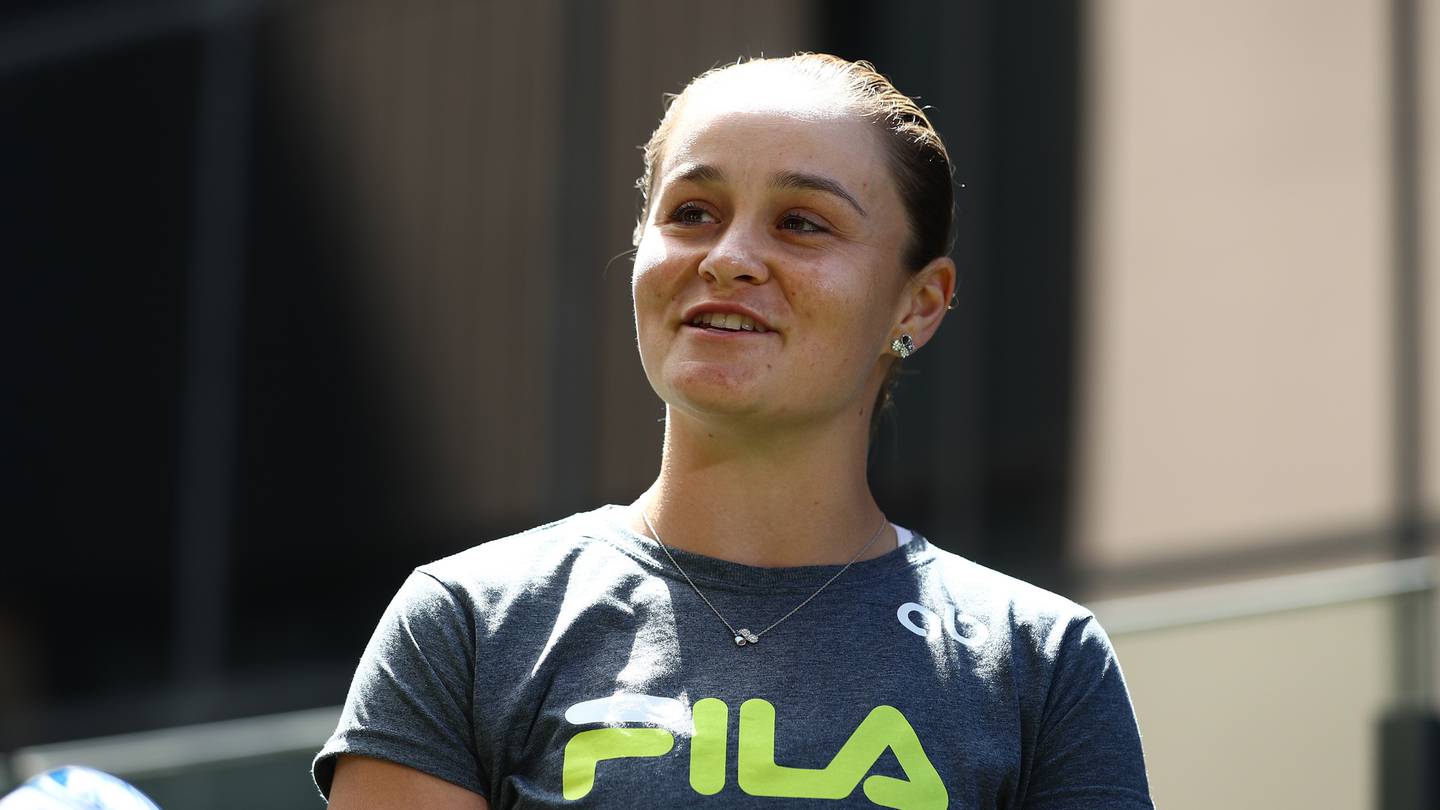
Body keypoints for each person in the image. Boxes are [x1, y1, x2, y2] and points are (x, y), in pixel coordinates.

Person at [315, 53, 1153, 809]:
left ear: (918, 303)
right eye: (692, 212)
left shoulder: (1040, 662)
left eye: (801, 223)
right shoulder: (469, 623)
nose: (728, 257)